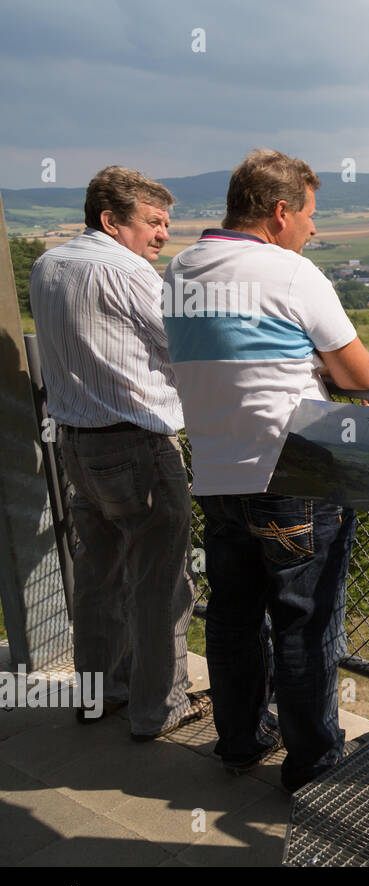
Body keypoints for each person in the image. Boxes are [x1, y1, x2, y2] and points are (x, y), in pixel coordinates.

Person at [163, 149, 369, 790]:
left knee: (232, 618)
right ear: (280, 212)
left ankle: (240, 741)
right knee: (304, 623)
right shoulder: (291, 273)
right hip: (292, 474)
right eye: (310, 215)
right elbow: (360, 376)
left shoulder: (180, 268)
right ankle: (314, 761)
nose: (314, 230)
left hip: (218, 473)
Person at [29, 165, 209, 739]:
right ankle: (158, 710)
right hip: (137, 444)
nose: (163, 236)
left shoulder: (47, 264)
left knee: (100, 575)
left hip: (76, 447)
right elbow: (184, 346)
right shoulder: (126, 271)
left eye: (166, 224)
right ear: (111, 220)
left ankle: (96, 694)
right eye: (153, 223)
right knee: (160, 581)